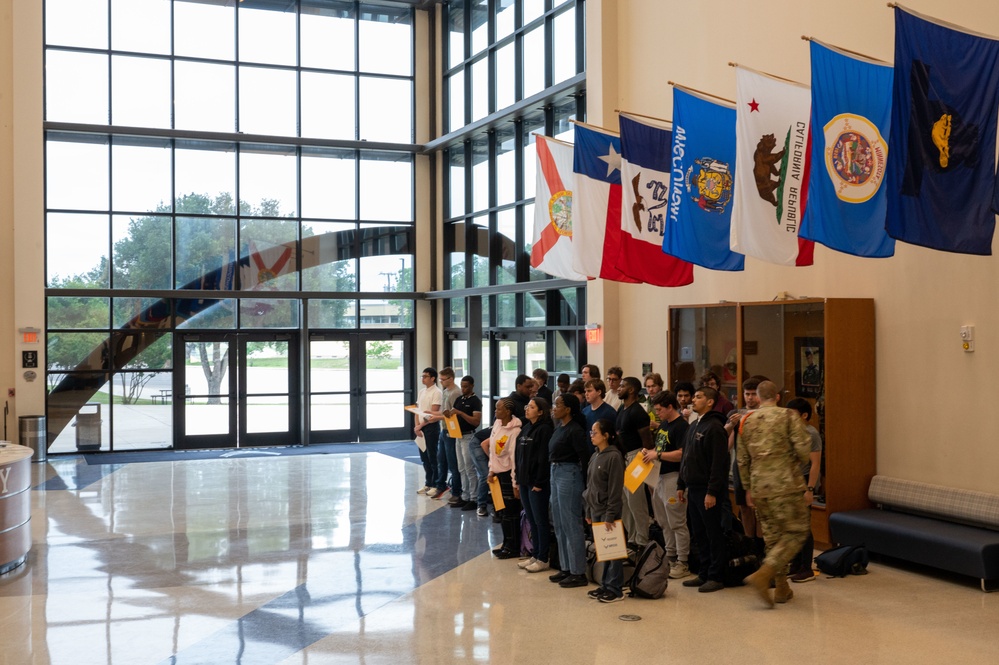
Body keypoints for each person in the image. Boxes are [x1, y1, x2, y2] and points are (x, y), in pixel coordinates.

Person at [738, 381, 813, 607]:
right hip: (785, 485)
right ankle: (764, 573)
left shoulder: (746, 420)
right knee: (796, 531)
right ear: (778, 397)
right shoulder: (789, 416)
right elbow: (803, 451)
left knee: (772, 537)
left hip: (760, 487)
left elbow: (742, 459)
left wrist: (748, 488)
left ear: (759, 398)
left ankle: (782, 588)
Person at [677, 386, 729, 593]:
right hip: (693, 487)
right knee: (698, 532)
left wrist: (712, 492)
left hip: (708, 490)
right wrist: (681, 484)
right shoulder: (693, 425)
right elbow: (686, 457)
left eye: (698, 397)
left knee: (713, 532)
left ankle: (716, 575)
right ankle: (704, 572)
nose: (693, 401)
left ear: (709, 402)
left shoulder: (715, 427)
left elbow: (719, 464)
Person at [642, 391, 691, 579]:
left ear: (670, 407)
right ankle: (670, 556)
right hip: (660, 477)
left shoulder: (681, 427)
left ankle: (683, 561)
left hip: (674, 476)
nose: (658, 413)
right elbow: (661, 448)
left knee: (677, 521)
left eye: (660, 410)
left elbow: (681, 453)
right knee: (663, 521)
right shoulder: (664, 424)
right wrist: (651, 452)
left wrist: (658, 455)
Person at [547, 393, 593, 589]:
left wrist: (585, 485)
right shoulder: (559, 427)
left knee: (571, 522)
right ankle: (565, 567)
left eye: (558, 405)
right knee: (558, 522)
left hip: (569, 473)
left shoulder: (575, 430)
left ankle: (578, 571)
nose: (554, 408)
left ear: (568, 409)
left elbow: (585, 458)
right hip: (555, 471)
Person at [583, 419, 627, 603]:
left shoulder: (614, 457)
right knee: (604, 550)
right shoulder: (595, 455)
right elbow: (590, 486)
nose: (591, 436)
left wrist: (610, 515)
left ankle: (615, 588)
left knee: (613, 550)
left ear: (606, 436)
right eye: (591, 432)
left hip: (608, 511)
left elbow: (615, 490)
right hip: (595, 509)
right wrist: (587, 510)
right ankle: (605, 584)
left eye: (595, 433)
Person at [785, 397, 823, 583]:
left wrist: (810, 489)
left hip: (804, 482)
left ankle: (806, 567)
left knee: (803, 525)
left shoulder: (811, 434)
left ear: (804, 415)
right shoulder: (790, 431)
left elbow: (815, 464)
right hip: (790, 482)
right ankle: (795, 563)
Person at [515, 397, 555, 573]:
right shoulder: (526, 428)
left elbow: (543, 458)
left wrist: (539, 481)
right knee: (531, 519)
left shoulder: (545, 430)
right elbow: (519, 455)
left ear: (540, 411)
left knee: (540, 520)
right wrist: (517, 477)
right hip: (524, 480)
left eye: (531, 407)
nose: (527, 409)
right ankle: (535, 553)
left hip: (537, 483)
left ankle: (543, 557)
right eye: (527, 406)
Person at [614, 376, 653, 550]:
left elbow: (647, 440)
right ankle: (632, 537)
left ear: (631, 390)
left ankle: (642, 540)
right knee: (625, 500)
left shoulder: (637, 412)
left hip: (638, 455)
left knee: (636, 501)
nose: (618, 388)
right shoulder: (622, 408)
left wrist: (643, 462)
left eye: (622, 386)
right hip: (625, 457)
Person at [729, 377, 766, 556]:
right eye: (747, 394)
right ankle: (748, 542)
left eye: (754, 394)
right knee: (744, 506)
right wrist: (730, 425)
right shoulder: (736, 413)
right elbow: (726, 444)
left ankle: (760, 546)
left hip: (760, 467)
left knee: (758, 507)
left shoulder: (768, 414)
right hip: (740, 466)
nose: (750, 398)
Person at [486, 398, 523, 559]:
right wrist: (491, 470)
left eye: (498, 409)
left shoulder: (515, 431)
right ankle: (506, 542)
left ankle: (513, 547)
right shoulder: (497, 424)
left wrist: (515, 484)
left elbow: (515, 459)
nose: (495, 411)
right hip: (497, 475)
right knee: (501, 512)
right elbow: (493, 452)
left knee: (510, 513)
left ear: (508, 412)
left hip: (508, 475)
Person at [447, 375, 482, 511]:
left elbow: (476, 421)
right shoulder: (459, 399)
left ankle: (474, 497)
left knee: (469, 468)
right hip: (457, 436)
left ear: (472, 386)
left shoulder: (475, 401)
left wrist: (461, 413)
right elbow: (453, 416)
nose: (463, 389)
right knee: (461, 468)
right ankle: (465, 495)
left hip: (468, 436)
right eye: (461, 386)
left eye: (466, 386)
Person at [430, 367, 462, 501]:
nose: (441, 382)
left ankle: (456, 491)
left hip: (451, 431)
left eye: (443, 380)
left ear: (451, 379)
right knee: (441, 459)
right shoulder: (446, 391)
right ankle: (441, 485)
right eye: (440, 379)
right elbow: (444, 411)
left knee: (452, 461)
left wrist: (436, 417)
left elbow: (452, 415)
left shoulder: (455, 392)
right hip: (444, 430)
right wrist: (431, 413)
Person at [414, 367, 443, 495]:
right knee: (424, 457)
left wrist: (421, 426)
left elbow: (433, 414)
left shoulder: (437, 392)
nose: (423, 378)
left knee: (432, 456)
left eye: (425, 376)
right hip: (420, 427)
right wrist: (416, 426)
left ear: (433, 378)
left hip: (431, 427)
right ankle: (428, 483)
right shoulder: (422, 391)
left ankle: (436, 483)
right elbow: (417, 410)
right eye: (422, 376)